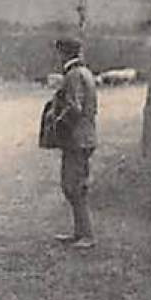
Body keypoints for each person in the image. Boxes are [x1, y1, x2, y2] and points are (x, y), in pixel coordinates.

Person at [43, 36, 99, 249]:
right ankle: (80, 233)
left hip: (77, 139)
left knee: (72, 186)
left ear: (64, 53)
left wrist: (57, 123)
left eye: (59, 53)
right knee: (76, 185)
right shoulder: (85, 73)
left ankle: (87, 235)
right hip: (85, 138)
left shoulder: (73, 75)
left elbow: (74, 108)